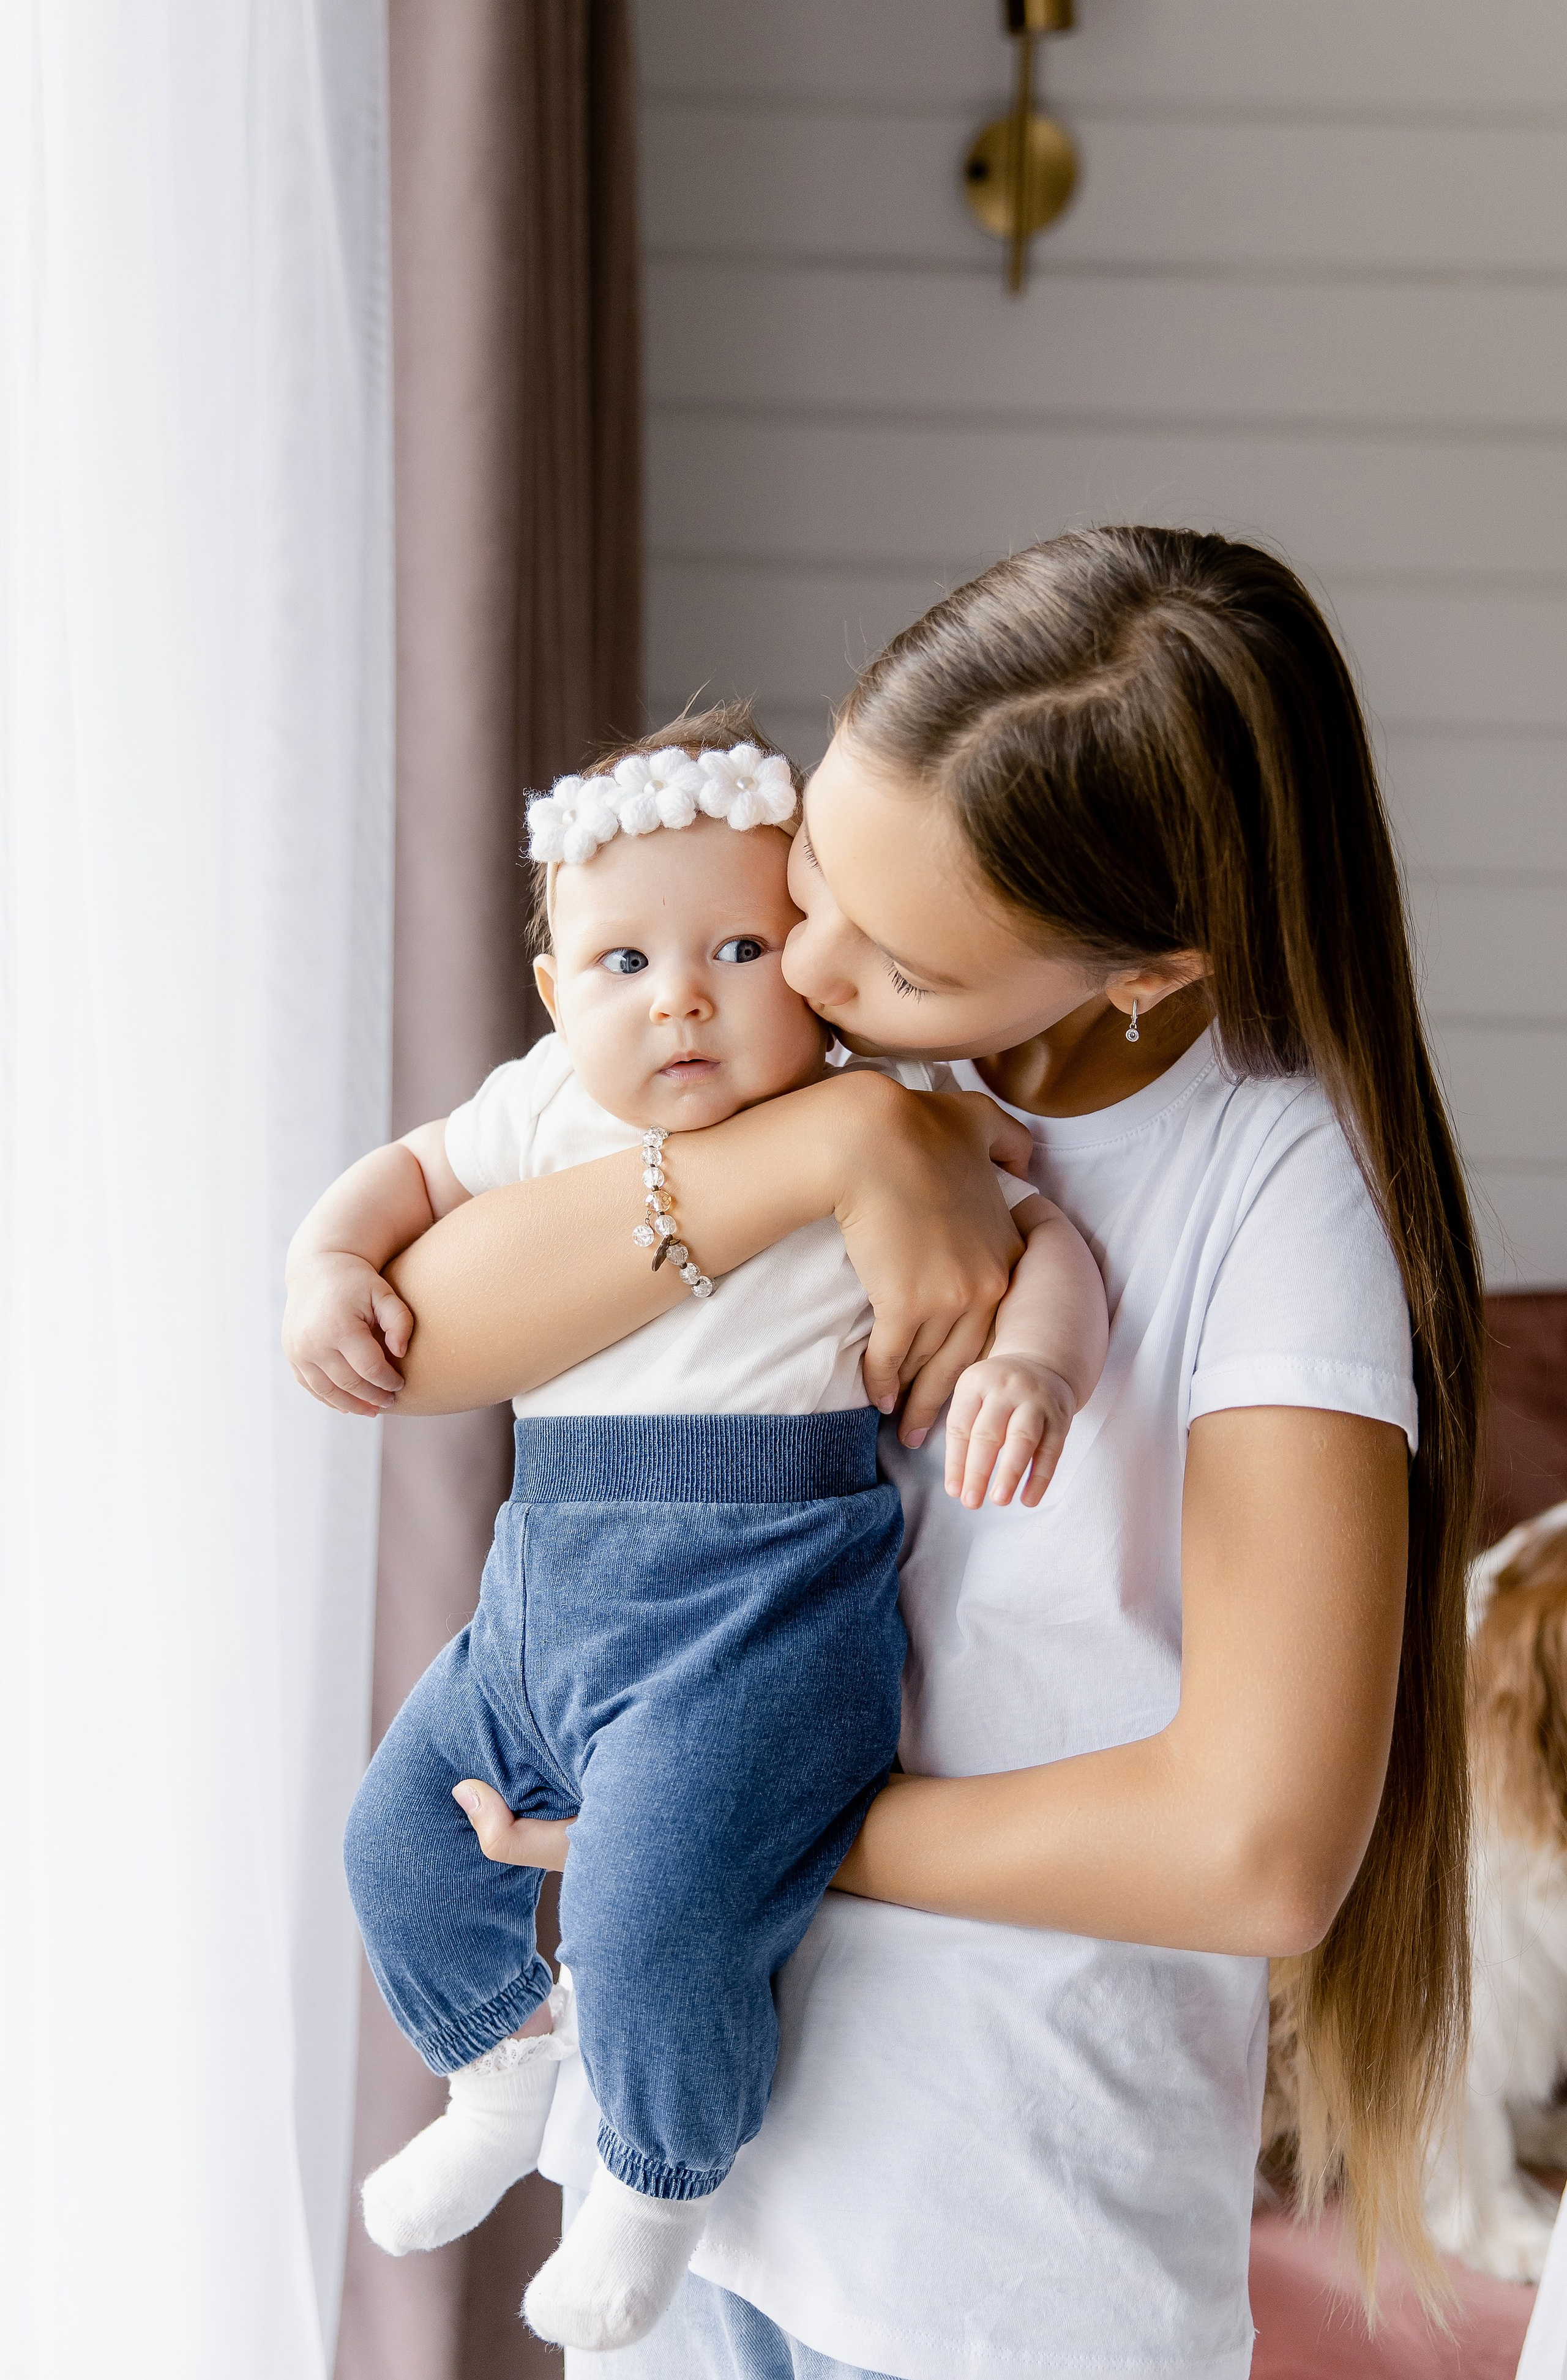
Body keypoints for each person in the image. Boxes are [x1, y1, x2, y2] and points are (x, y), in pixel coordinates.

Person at [367, 528, 1484, 2380]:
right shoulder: (813, 1061)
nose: (802, 961)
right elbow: (409, 1338)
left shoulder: (1279, 1192)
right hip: (697, 2199)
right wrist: (840, 1149)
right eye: (815, 867)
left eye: (890, 957)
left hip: (992, 2241)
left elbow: (1259, 1848)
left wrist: (731, 1835)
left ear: (1144, 970)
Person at [283, 722, 1107, 2351]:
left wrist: (1038, 1363)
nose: (681, 999)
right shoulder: (541, 1111)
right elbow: (399, 1177)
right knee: (394, 1840)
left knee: (648, 1913)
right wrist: (325, 1268)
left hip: (757, 1620)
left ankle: (659, 2181)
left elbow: (1043, 1235)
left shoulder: (893, 1107)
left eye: (739, 950)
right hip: (537, 1615)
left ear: (813, 969)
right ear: (553, 989)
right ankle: (498, 2069)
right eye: (627, 962)